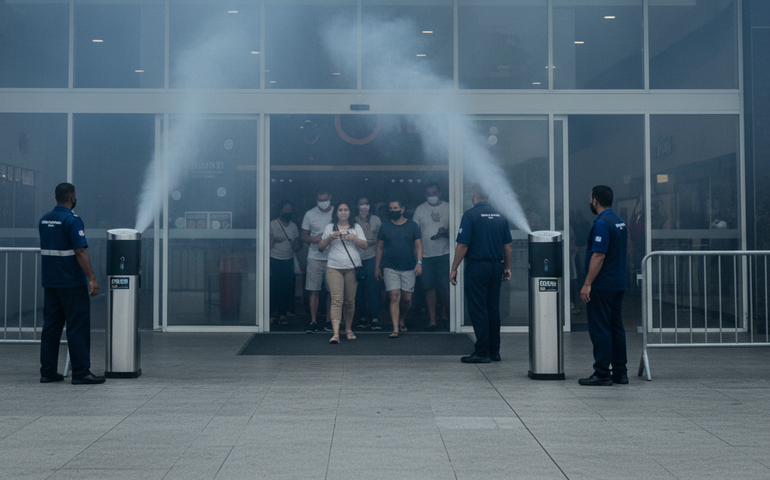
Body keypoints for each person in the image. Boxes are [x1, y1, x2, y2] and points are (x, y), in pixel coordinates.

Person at [38, 183, 105, 385]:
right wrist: (92, 278)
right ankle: (81, 372)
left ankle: (48, 371)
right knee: (77, 326)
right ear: (72, 197)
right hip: (71, 283)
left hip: (50, 283)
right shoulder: (72, 221)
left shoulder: (44, 220)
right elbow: (80, 251)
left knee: (51, 327)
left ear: (56, 197)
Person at [450, 185, 512, 363]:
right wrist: (506, 267)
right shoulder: (501, 215)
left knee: (478, 308)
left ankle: (482, 351)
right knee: (493, 308)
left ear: (473, 195)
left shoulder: (470, 215)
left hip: (477, 267)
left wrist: (454, 268)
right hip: (496, 266)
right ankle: (494, 350)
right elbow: (508, 245)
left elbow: (462, 245)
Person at [578, 185, 628, 386]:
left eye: (590, 197)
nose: (590, 201)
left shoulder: (602, 223)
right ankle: (620, 372)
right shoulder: (619, 221)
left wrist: (587, 284)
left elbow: (598, 255)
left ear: (595, 200)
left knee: (600, 328)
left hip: (603, 285)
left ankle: (601, 372)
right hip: (618, 283)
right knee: (616, 327)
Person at [318, 202, 368, 343]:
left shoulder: (356, 227)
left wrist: (354, 238)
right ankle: (335, 334)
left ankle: (348, 329)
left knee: (349, 301)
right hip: (334, 267)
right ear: (336, 213)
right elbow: (320, 247)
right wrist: (329, 238)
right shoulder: (330, 227)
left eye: (346, 209)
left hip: (352, 268)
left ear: (350, 212)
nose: (343, 212)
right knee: (336, 300)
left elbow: (365, 246)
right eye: (340, 210)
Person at [375, 199, 423, 338]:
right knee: (394, 296)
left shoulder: (412, 225)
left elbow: (419, 245)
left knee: (407, 299)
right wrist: (377, 267)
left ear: (402, 209)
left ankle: (402, 318)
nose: (392, 211)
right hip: (390, 267)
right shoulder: (385, 227)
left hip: (409, 267)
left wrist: (419, 262)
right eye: (390, 208)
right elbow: (379, 247)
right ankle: (395, 328)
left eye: (395, 208)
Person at [413, 182, 450, 331]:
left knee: (445, 288)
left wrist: (446, 232)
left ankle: (445, 313)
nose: (431, 196)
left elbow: (458, 230)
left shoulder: (449, 207)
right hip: (425, 255)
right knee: (429, 288)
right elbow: (415, 233)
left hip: (445, 253)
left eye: (434, 193)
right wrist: (417, 258)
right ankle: (432, 320)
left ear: (440, 193)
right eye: (428, 194)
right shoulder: (420, 209)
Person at [302, 188, 334, 333]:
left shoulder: (338, 212)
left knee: (331, 291)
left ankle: (329, 320)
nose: (323, 202)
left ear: (330, 197)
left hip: (333, 257)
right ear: (316, 198)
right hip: (314, 256)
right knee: (313, 290)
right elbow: (304, 236)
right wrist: (313, 239)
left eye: (325, 199)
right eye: (320, 200)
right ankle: (313, 321)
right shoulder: (309, 214)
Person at [354, 197, 382, 330]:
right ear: (357, 206)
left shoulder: (376, 220)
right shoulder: (353, 220)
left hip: (372, 257)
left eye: (366, 204)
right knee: (358, 289)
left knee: (372, 288)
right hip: (357, 259)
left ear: (370, 206)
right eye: (361, 204)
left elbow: (381, 241)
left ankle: (375, 318)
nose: (363, 207)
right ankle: (363, 317)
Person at [270, 201, 300, 325]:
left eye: (290, 210)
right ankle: (271, 313)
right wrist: (273, 240)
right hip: (274, 259)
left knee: (285, 289)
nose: (288, 212)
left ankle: (282, 314)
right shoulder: (272, 224)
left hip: (288, 260)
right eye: (286, 209)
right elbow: (267, 243)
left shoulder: (293, 226)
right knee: (273, 288)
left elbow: (296, 244)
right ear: (280, 211)